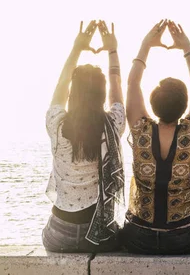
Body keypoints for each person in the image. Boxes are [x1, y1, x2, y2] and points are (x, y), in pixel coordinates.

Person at [121, 19, 190, 255]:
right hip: (185, 238)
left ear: (152, 104)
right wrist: (187, 48)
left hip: (139, 237)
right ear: (184, 106)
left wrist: (146, 45)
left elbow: (132, 83)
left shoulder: (141, 130)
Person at [43, 20, 125, 252]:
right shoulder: (112, 124)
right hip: (99, 235)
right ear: (102, 95)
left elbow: (61, 83)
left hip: (60, 235)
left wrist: (77, 48)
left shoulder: (56, 124)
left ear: (73, 93)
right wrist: (112, 49)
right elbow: (117, 84)